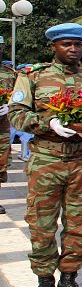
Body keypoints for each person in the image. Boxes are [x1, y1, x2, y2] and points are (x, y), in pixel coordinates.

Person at [8, 23, 82, 287]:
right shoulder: (33, 77)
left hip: (81, 162)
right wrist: (48, 123)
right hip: (46, 160)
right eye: (66, 44)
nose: (73, 49)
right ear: (53, 47)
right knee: (41, 222)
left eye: (77, 45)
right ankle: (44, 282)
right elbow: (16, 114)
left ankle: (69, 278)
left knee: (79, 222)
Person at [0, 37, 15, 214]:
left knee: (1, 163)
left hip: (2, 127)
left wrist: (9, 106)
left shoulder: (10, 74)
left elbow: (19, 98)